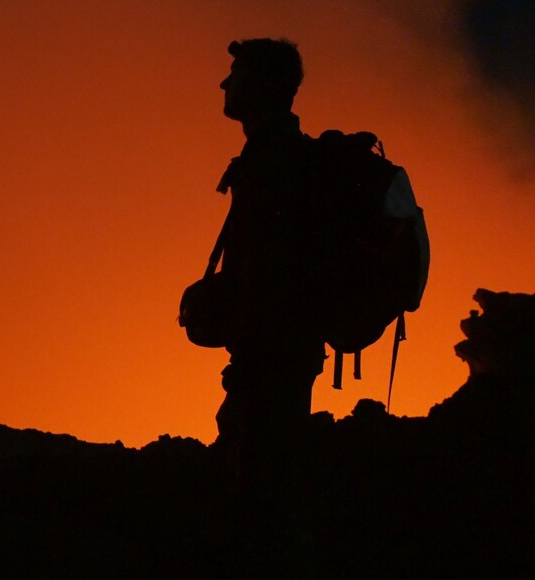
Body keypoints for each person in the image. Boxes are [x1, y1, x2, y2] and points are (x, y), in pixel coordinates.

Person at [210, 38, 324, 575]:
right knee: (263, 487)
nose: (225, 85)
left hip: (273, 356)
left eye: (236, 74)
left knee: (267, 493)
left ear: (264, 86)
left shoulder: (276, 161)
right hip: (274, 353)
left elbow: (273, 268)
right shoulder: (274, 155)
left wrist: (238, 312)